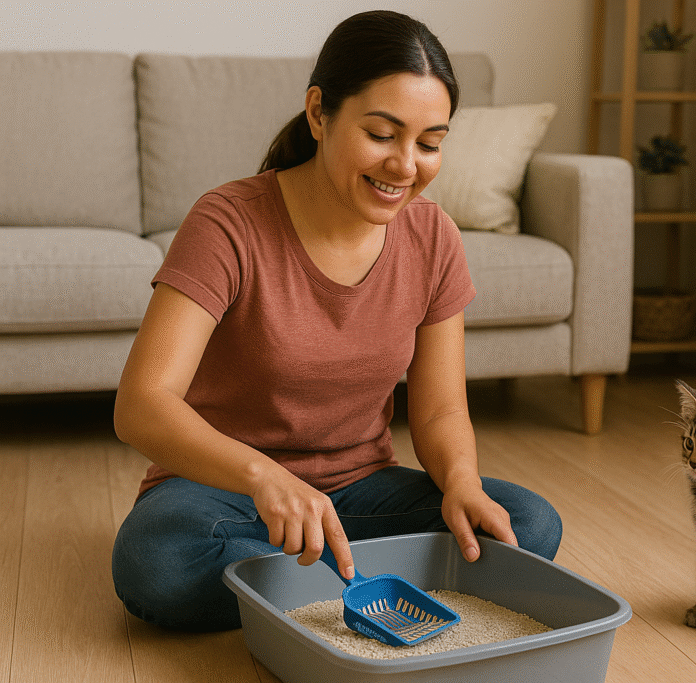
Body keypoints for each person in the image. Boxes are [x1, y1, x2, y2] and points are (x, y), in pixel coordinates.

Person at [111, 10, 562, 632]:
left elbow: (439, 411)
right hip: (223, 494)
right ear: (319, 113)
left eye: (429, 143)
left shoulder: (434, 236)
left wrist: (461, 482)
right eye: (382, 134)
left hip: (358, 494)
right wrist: (264, 477)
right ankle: (371, 579)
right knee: (157, 562)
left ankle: (306, 584)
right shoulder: (227, 223)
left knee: (528, 523)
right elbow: (141, 405)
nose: (405, 166)